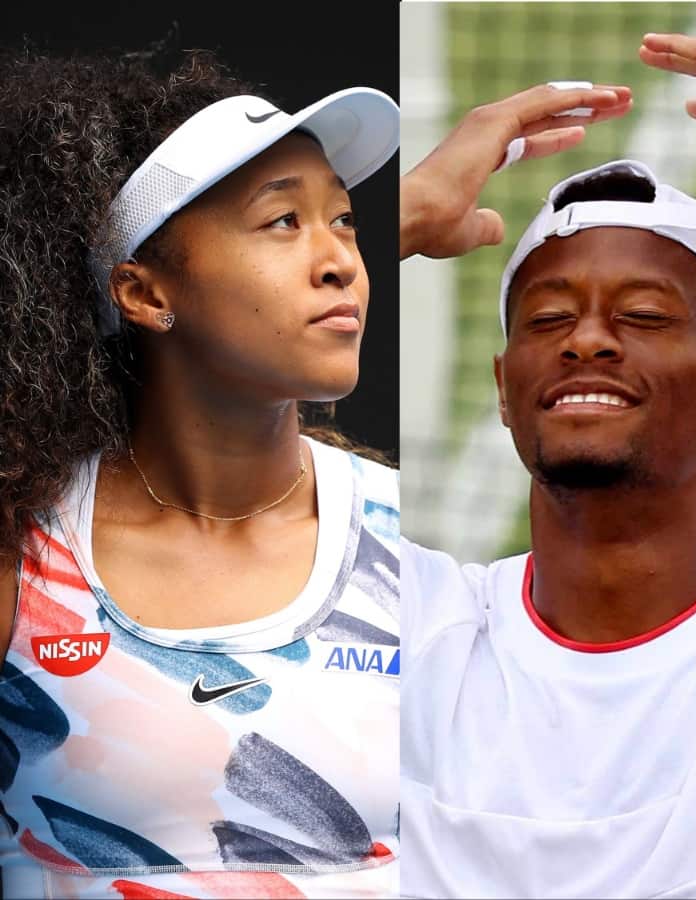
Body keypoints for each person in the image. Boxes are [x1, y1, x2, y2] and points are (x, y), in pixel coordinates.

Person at [398, 34, 696, 897]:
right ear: (505, 388)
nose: (584, 339)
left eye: (645, 315)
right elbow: (170, 368)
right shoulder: (412, 629)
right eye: (546, 321)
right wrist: (400, 211)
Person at [0, 46, 403, 897]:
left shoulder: (415, 548)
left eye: (344, 219)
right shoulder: (25, 558)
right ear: (144, 295)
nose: (340, 261)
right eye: (283, 222)